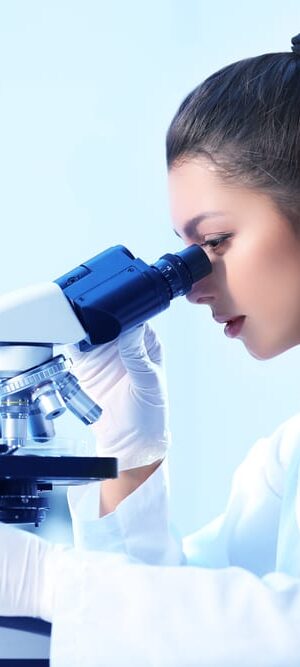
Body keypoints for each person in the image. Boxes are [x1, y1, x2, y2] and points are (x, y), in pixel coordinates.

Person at [1, 34, 300, 667]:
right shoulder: (286, 459)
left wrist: (46, 584)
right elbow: (182, 631)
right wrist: (130, 464)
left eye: (215, 240)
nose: (193, 284)